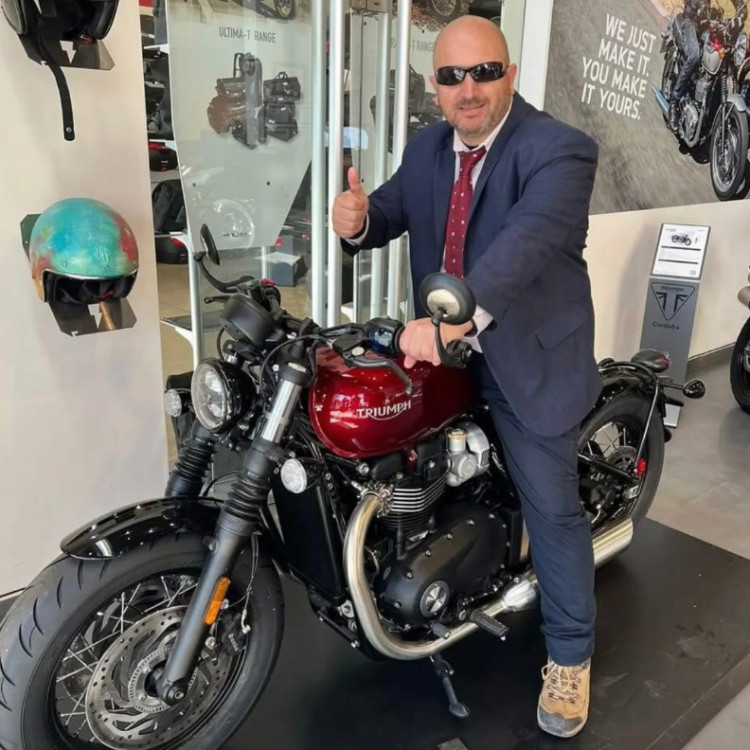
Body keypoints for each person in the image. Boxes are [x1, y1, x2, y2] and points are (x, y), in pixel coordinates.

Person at [332, 15, 601, 739]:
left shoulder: (558, 149)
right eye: (453, 76)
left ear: (509, 73)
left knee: (552, 507)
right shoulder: (427, 147)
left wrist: (455, 320)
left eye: (483, 72)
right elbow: (388, 212)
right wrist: (357, 221)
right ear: (435, 85)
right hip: (442, 349)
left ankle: (571, 655)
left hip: (525, 354)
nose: (469, 89)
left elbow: (524, 244)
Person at [669, 0, 747, 131]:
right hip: (691, 20)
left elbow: (741, 6)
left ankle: (709, 114)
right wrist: (703, 14)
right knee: (694, 56)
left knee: (728, 62)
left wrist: (740, 14)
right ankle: (674, 101)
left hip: (710, 25)